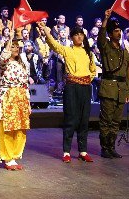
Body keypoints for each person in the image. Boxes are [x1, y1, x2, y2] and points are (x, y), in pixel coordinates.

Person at [38, 20, 97, 163]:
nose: (79, 37)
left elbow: (93, 70)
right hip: (71, 88)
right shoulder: (67, 50)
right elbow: (53, 44)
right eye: (76, 35)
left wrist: (87, 78)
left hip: (85, 87)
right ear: (71, 37)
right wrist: (45, 30)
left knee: (84, 120)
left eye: (81, 35)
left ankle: (83, 151)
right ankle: (66, 151)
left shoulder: (88, 53)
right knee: (71, 119)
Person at [0, 39, 32, 170]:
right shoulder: (3, 63)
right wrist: (10, 39)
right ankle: (7, 157)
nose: (16, 49)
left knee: (20, 128)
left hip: (21, 98)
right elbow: (3, 57)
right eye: (12, 47)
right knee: (7, 127)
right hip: (7, 96)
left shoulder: (22, 64)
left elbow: (25, 85)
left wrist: (28, 102)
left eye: (17, 46)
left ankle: (14, 155)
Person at [96, 10, 129, 159]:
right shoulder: (106, 47)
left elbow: (127, 74)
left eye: (120, 30)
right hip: (108, 88)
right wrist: (106, 18)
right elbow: (101, 37)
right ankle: (105, 148)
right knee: (106, 120)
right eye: (116, 31)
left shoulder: (125, 53)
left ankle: (112, 147)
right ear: (110, 34)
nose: (119, 33)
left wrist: (128, 91)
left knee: (116, 121)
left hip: (121, 90)